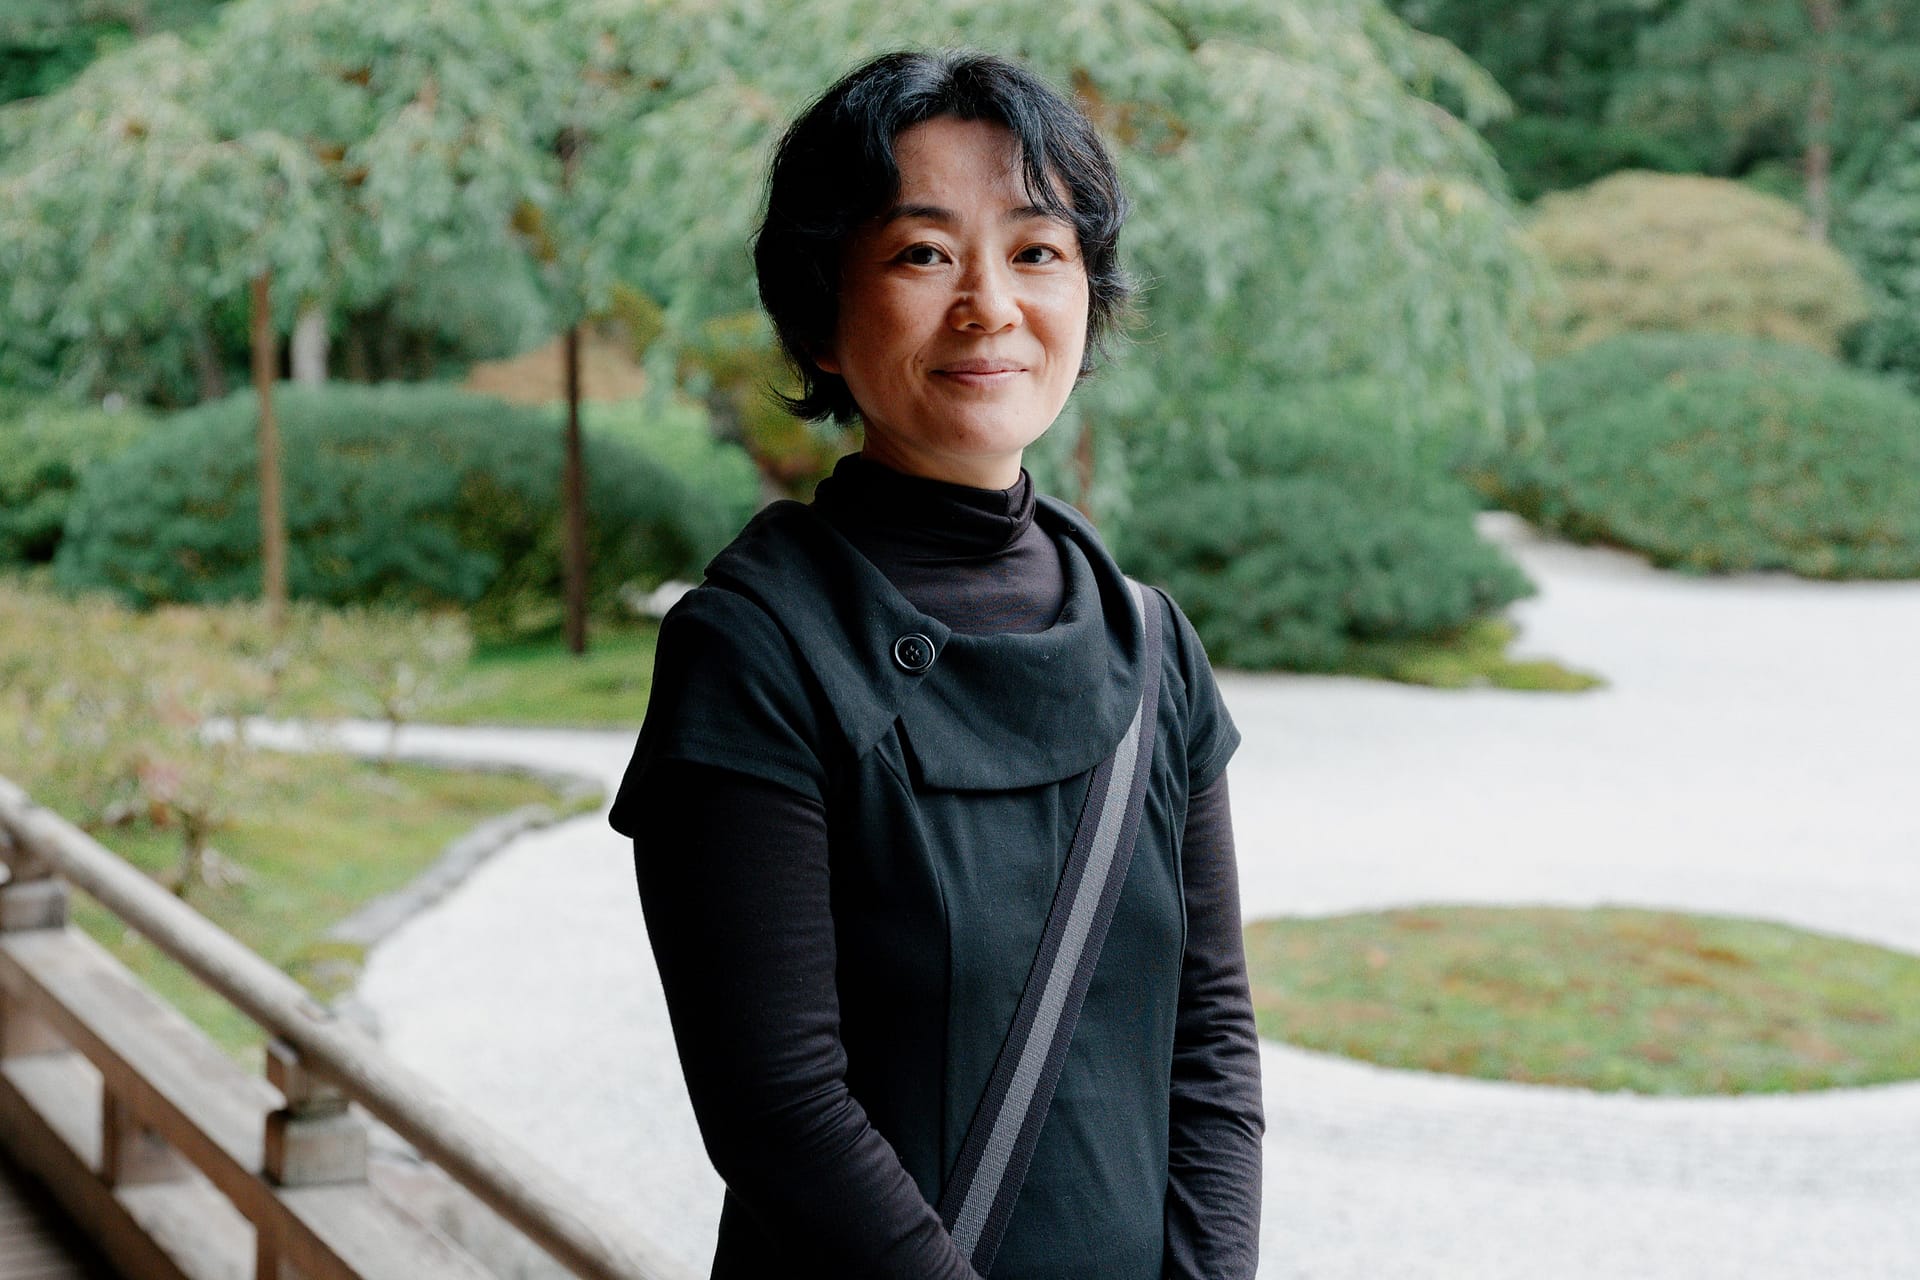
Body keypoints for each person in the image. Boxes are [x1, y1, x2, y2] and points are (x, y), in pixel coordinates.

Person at [608, 49, 1264, 1280]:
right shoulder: (753, 651)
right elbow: (779, 1107)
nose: (989, 305)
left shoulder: (1151, 644)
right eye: (922, 253)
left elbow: (1211, 1041)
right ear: (818, 313)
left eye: (1036, 251)